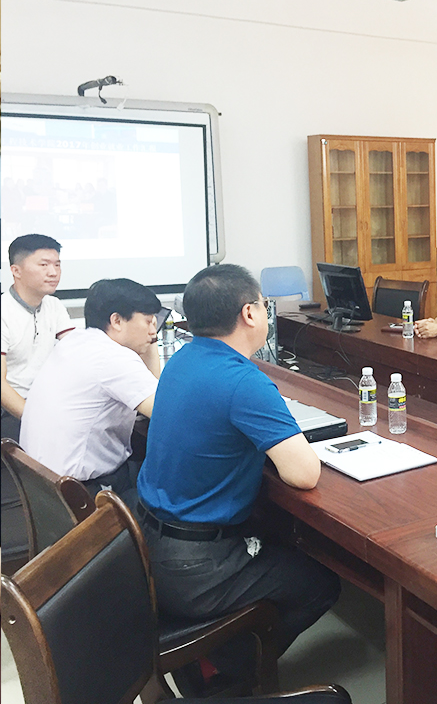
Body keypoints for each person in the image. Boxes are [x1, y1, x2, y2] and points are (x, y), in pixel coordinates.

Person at [136, 264, 339, 694]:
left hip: (147, 547)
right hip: (195, 569)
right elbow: (304, 474)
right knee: (319, 584)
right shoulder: (244, 382)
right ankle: (225, 674)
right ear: (250, 313)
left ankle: (216, 657)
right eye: (263, 305)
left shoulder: (182, 359)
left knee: (279, 539)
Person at [19, 278, 161, 496]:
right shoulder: (114, 358)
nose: (154, 331)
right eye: (149, 322)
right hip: (83, 492)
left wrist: (149, 341)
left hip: (42, 487)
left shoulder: (75, 340)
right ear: (117, 320)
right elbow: (164, 413)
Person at [1, 233, 75, 441]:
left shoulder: (54, 305)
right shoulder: (4, 312)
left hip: (47, 402)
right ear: (16, 271)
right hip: (11, 410)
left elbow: (76, 353)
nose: (53, 272)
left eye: (57, 265)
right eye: (44, 265)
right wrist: (37, 421)